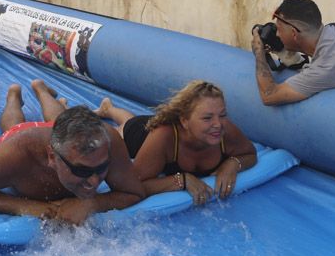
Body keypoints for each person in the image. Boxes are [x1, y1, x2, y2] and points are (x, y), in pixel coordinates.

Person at [0, 79, 145, 224]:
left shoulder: (108, 140)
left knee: (60, 119)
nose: (94, 182)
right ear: (52, 157)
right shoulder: (15, 154)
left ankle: (41, 89)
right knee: (13, 126)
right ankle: (13, 96)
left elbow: (134, 192)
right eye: (82, 171)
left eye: (102, 167)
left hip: (60, 135)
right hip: (20, 136)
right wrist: (27, 206)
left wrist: (91, 203)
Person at [95, 80, 257, 205]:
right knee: (121, 130)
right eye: (207, 118)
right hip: (137, 135)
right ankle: (106, 110)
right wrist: (181, 180)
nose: (218, 124)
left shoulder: (224, 129)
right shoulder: (164, 137)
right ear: (185, 121)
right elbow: (133, 187)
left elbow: (249, 153)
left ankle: (108, 109)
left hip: (155, 129)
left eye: (222, 115)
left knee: (129, 120)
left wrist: (232, 164)